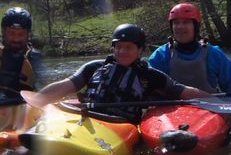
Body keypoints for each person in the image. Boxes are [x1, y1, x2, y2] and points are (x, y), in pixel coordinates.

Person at [27, 24, 210, 123]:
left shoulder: (150, 76)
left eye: (128, 48)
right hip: (89, 120)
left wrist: (213, 99)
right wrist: (36, 100)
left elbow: (183, 91)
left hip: (121, 126)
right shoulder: (94, 67)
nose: (122, 52)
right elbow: (66, 85)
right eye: (118, 47)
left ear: (140, 50)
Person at [148, 3, 231, 95]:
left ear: (196, 26)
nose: (180, 27)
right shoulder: (161, 55)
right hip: (173, 107)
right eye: (176, 23)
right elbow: (150, 89)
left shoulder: (214, 53)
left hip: (208, 107)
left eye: (186, 22)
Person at [0, 7, 43, 131]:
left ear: (28, 34)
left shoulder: (35, 59)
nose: (16, 39)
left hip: (23, 113)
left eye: (20, 34)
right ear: (4, 33)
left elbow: (41, 95)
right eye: (11, 33)